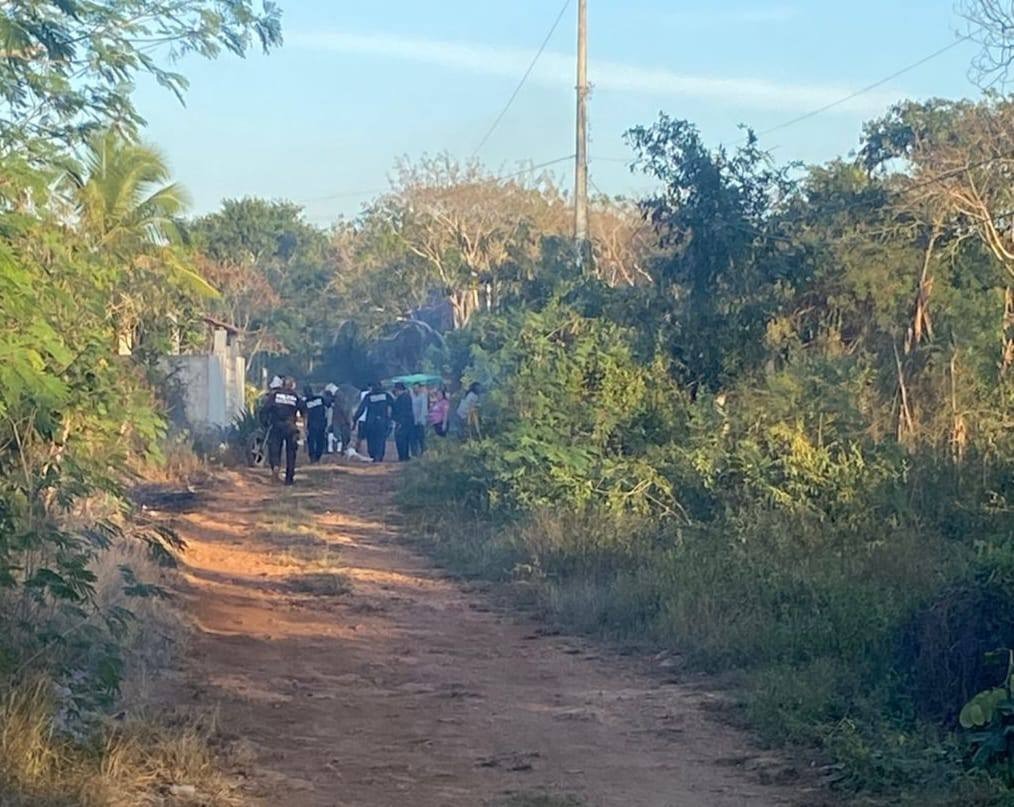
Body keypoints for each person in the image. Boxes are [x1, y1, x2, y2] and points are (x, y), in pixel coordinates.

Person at [263, 376, 306, 485]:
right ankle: (289, 479)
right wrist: (304, 428)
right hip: (290, 427)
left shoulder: (275, 395)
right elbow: (304, 411)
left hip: (277, 425)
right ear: (292, 386)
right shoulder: (295, 396)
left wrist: (265, 422)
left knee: (274, 449)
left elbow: (265, 409)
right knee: (291, 453)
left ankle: (276, 466)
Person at [353, 381, 394, 462]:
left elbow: (361, 409)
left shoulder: (369, 396)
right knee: (381, 440)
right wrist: (392, 418)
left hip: (370, 422)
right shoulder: (386, 396)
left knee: (371, 440)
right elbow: (394, 406)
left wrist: (355, 418)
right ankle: (379, 456)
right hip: (383, 421)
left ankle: (373, 455)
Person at [303, 384, 330, 463]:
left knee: (311, 441)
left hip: (311, 424)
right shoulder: (320, 398)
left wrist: (305, 428)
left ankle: (312, 457)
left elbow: (305, 416)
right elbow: (328, 405)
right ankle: (318, 457)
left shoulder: (306, 402)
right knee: (320, 440)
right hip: (321, 423)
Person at [391, 382, 416, 462]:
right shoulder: (407, 397)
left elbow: (401, 411)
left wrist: (399, 422)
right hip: (408, 421)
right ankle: (404, 456)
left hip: (402, 422)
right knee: (405, 439)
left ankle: (403, 457)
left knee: (401, 439)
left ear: (398, 390)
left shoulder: (402, 398)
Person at [410, 382, 429, 456]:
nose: (415, 390)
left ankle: (423, 453)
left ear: (419, 388)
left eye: (416, 388)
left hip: (420, 421)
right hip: (413, 421)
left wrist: (421, 420)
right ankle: (414, 454)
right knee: (413, 438)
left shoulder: (423, 397)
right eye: (414, 388)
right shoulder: (412, 397)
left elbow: (424, 409)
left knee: (421, 438)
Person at [354, 386, 370, 454]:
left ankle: (357, 448)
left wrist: (355, 418)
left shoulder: (361, 394)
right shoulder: (371, 394)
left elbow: (358, 405)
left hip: (362, 418)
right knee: (370, 436)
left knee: (359, 436)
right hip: (369, 418)